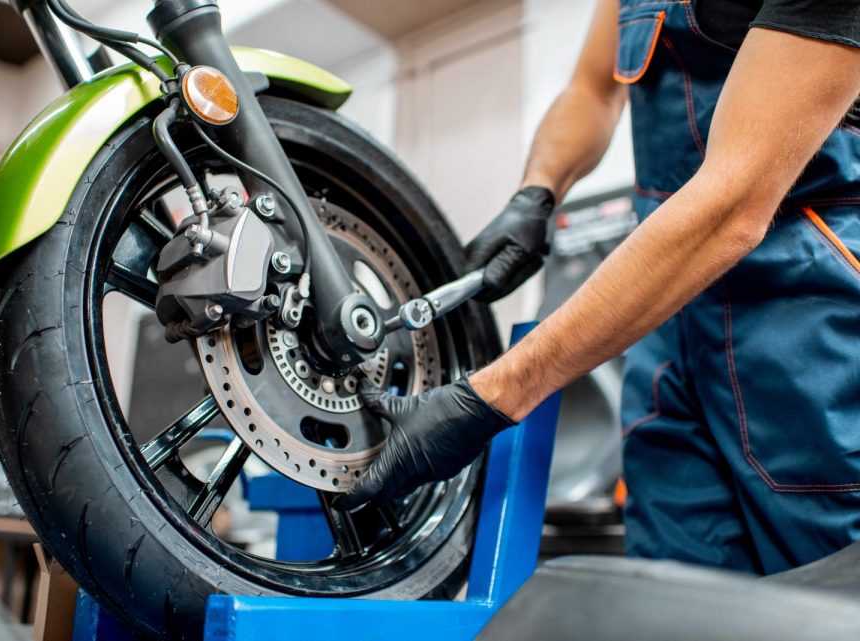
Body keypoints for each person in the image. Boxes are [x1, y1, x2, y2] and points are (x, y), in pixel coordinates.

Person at [336, 0, 860, 575]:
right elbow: (592, 92)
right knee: (680, 595)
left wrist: (490, 397)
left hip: (804, 319)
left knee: (829, 592)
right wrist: (536, 192)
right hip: (667, 328)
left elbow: (734, 205)